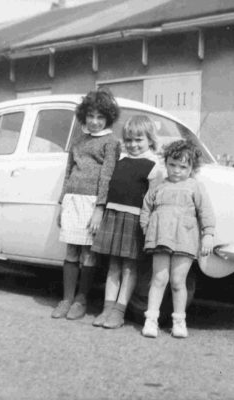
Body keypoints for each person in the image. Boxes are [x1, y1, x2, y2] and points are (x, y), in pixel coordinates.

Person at [52, 89, 121, 320]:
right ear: (84, 116)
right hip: (72, 200)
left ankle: (81, 300)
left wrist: (100, 209)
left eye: (100, 117)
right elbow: (68, 172)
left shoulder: (111, 142)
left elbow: (107, 177)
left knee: (88, 254)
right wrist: (62, 203)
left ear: (108, 119)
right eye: (90, 116)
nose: (94, 121)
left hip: (92, 204)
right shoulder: (78, 141)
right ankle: (66, 299)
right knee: (71, 251)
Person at [91, 115, 165, 329]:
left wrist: (147, 225)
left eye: (139, 140)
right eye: (129, 140)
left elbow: (152, 201)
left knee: (129, 268)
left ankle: (119, 311)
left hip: (134, 220)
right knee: (113, 266)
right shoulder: (120, 161)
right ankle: (107, 308)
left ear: (150, 139)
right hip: (114, 216)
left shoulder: (154, 166)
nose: (133, 145)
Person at [139, 140, 215, 338]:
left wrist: (208, 234)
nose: (177, 171)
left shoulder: (195, 187)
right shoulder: (158, 186)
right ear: (166, 163)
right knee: (159, 279)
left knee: (177, 281)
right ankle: (151, 319)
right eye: (172, 165)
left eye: (183, 167)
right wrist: (147, 229)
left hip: (185, 239)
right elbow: (146, 208)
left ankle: (179, 321)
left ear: (192, 168)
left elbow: (206, 212)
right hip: (161, 239)